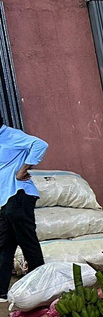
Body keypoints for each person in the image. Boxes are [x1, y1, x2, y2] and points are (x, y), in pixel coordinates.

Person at [0, 118, 47, 300]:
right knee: (4, 244)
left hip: (20, 195)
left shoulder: (10, 135)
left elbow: (40, 144)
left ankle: (41, 285)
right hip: (6, 199)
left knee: (27, 240)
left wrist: (23, 169)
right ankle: (1, 291)